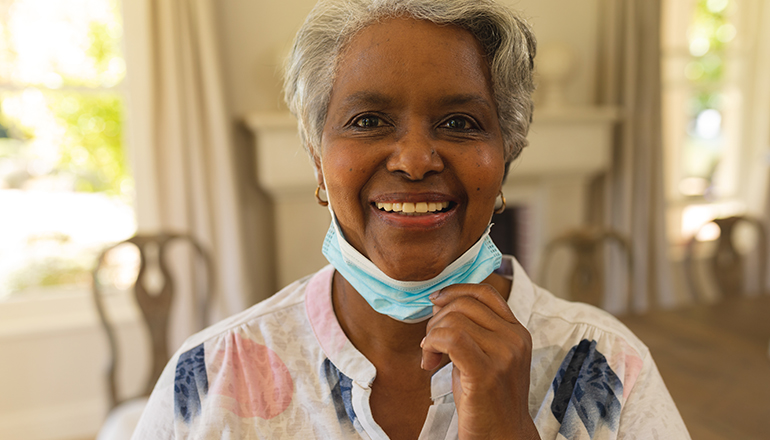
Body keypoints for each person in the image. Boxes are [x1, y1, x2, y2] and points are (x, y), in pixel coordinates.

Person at [132, 0, 691, 438]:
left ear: (507, 156)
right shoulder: (212, 373)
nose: (416, 159)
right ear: (318, 159)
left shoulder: (606, 366)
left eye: (461, 122)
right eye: (368, 119)